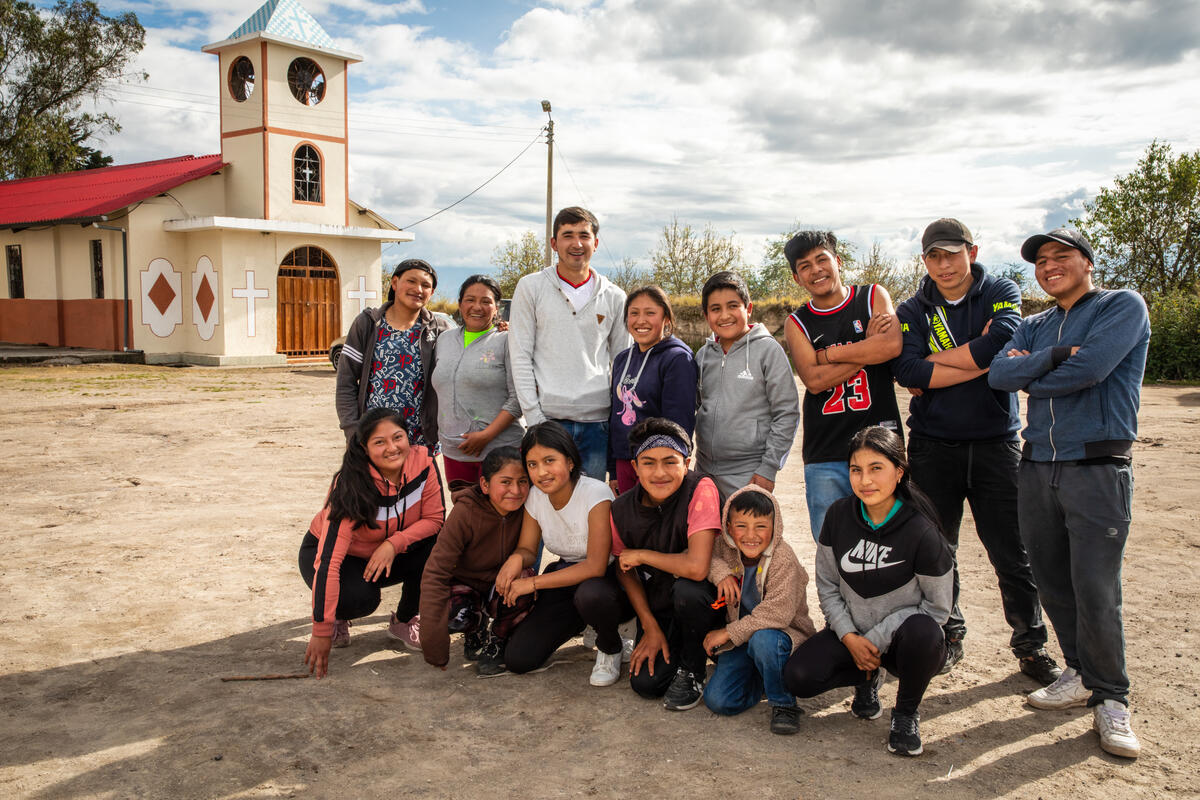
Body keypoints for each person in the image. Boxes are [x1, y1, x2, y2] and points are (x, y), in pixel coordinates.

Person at [989, 228, 1150, 759]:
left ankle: (1111, 697)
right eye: (1041, 260)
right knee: (1052, 580)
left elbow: (1092, 369)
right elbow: (998, 374)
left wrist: (1035, 374)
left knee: (1095, 587)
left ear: (1087, 261)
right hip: (1036, 468)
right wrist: (1055, 355)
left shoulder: (1121, 307)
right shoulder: (1036, 325)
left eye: (1061, 256)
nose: (1049, 265)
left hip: (1097, 466)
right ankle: (1080, 672)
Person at [891, 218, 1059, 685]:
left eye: (952, 253)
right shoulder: (912, 307)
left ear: (972, 250)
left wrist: (936, 363)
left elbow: (1002, 341)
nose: (944, 265)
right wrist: (978, 360)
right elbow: (907, 370)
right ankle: (950, 633)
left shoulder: (1000, 289)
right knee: (938, 551)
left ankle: (1031, 645)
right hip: (932, 447)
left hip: (995, 445)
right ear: (924, 260)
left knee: (1012, 551)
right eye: (933, 256)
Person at [783, 425, 952, 757]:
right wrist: (848, 636)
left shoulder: (922, 530)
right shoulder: (838, 515)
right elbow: (827, 584)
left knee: (926, 636)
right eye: (856, 470)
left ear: (899, 472)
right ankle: (866, 679)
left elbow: (938, 609)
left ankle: (905, 714)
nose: (865, 480)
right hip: (852, 635)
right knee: (798, 677)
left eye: (877, 468)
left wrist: (874, 640)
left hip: (901, 641)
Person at [300, 408, 446, 679]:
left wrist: (393, 543)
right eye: (379, 442)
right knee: (360, 600)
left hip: (385, 552)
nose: (392, 448)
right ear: (364, 448)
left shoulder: (424, 462)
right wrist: (320, 630)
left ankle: (404, 620)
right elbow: (329, 562)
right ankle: (337, 617)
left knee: (438, 546)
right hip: (337, 557)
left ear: (408, 437)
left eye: (398, 437)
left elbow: (435, 519)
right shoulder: (349, 486)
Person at [782, 230, 902, 541]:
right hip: (827, 451)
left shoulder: (873, 296)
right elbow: (814, 380)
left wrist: (830, 355)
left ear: (838, 261)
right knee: (832, 547)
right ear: (797, 278)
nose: (816, 269)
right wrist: (868, 348)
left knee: (889, 544)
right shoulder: (798, 322)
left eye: (822, 259)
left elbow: (890, 347)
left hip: (882, 446)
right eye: (805, 266)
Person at [607, 418, 725, 709]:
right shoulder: (621, 508)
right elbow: (626, 572)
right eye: (648, 463)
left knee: (689, 589)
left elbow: (697, 567)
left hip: (705, 604)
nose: (659, 473)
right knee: (646, 685)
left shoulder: (701, 489)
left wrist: (643, 555)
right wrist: (649, 626)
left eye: (670, 462)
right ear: (634, 467)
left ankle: (693, 669)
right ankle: (675, 645)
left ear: (686, 463)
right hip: (660, 606)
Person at [508, 207, 630, 482]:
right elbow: (520, 356)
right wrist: (535, 419)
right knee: (545, 507)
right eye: (567, 235)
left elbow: (624, 365)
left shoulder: (615, 296)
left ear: (595, 243)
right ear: (554, 243)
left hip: (597, 424)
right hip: (547, 420)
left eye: (584, 236)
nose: (576, 244)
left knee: (592, 506)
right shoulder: (531, 288)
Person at [494, 421, 620, 678]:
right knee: (519, 659)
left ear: (570, 462)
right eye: (532, 464)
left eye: (550, 460)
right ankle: (583, 620)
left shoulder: (596, 494)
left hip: (609, 582)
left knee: (591, 594)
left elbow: (595, 565)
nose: (541, 473)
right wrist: (515, 560)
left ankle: (611, 645)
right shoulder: (535, 496)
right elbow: (528, 548)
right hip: (566, 578)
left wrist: (533, 583)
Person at [703, 485, 816, 735]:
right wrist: (721, 573)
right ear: (728, 527)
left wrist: (728, 633)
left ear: (775, 528)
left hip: (782, 636)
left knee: (764, 640)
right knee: (719, 701)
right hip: (744, 639)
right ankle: (764, 679)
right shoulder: (724, 546)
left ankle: (784, 703)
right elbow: (705, 556)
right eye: (741, 526)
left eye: (761, 526)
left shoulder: (783, 559)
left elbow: (776, 615)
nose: (750, 535)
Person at [419, 446, 531, 677]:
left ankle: (497, 640)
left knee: (526, 582)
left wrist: (516, 559)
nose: (516, 490)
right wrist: (435, 648)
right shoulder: (465, 512)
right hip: (464, 585)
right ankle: (474, 627)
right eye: (506, 482)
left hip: (499, 584)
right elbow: (435, 573)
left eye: (522, 481)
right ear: (485, 485)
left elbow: (529, 550)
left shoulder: (529, 508)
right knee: (452, 612)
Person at [694, 270, 800, 500]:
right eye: (715, 309)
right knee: (705, 535)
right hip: (703, 470)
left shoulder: (768, 351)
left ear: (748, 309)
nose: (725, 315)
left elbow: (787, 413)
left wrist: (768, 468)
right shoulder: (702, 356)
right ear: (706, 315)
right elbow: (695, 407)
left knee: (745, 535)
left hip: (749, 472)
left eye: (733, 306)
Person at [336, 259, 453, 446]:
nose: (418, 289)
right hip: (374, 440)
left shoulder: (439, 330)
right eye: (411, 281)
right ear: (395, 282)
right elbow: (346, 382)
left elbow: (464, 361)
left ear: (431, 292)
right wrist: (353, 431)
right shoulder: (368, 324)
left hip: (423, 443)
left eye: (426, 285)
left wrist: (500, 331)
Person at [431, 275, 523, 487]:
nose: (477, 307)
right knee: (466, 513)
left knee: (502, 514)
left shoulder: (507, 341)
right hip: (454, 451)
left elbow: (518, 398)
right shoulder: (444, 340)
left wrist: (486, 435)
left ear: (496, 307)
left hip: (499, 450)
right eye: (470, 300)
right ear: (460, 303)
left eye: (486, 301)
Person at [607, 285, 698, 494]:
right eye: (634, 313)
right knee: (629, 523)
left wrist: (664, 466)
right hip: (625, 463)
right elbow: (614, 416)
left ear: (666, 318)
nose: (641, 320)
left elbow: (679, 424)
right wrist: (613, 469)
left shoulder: (677, 359)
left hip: (656, 465)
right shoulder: (622, 359)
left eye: (650, 313)